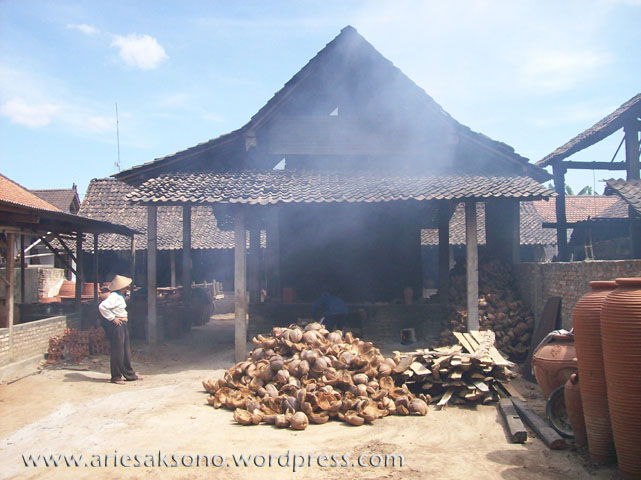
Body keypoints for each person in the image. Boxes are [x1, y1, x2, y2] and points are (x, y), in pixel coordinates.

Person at [99, 275, 142, 385]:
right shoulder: (113, 297)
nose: (127, 287)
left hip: (123, 324)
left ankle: (129, 374)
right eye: (125, 286)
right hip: (117, 326)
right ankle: (116, 377)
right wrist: (113, 318)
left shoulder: (121, 296)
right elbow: (102, 307)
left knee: (125, 351)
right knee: (118, 351)